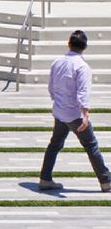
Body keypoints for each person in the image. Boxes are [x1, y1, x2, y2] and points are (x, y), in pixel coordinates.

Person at [38, 30, 111, 192]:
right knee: (91, 145)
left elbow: (51, 87)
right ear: (85, 47)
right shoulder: (82, 67)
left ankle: (45, 178)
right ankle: (106, 181)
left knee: (54, 145)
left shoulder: (57, 62)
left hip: (60, 111)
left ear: (69, 44)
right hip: (74, 114)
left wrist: (58, 103)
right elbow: (83, 93)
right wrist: (85, 116)